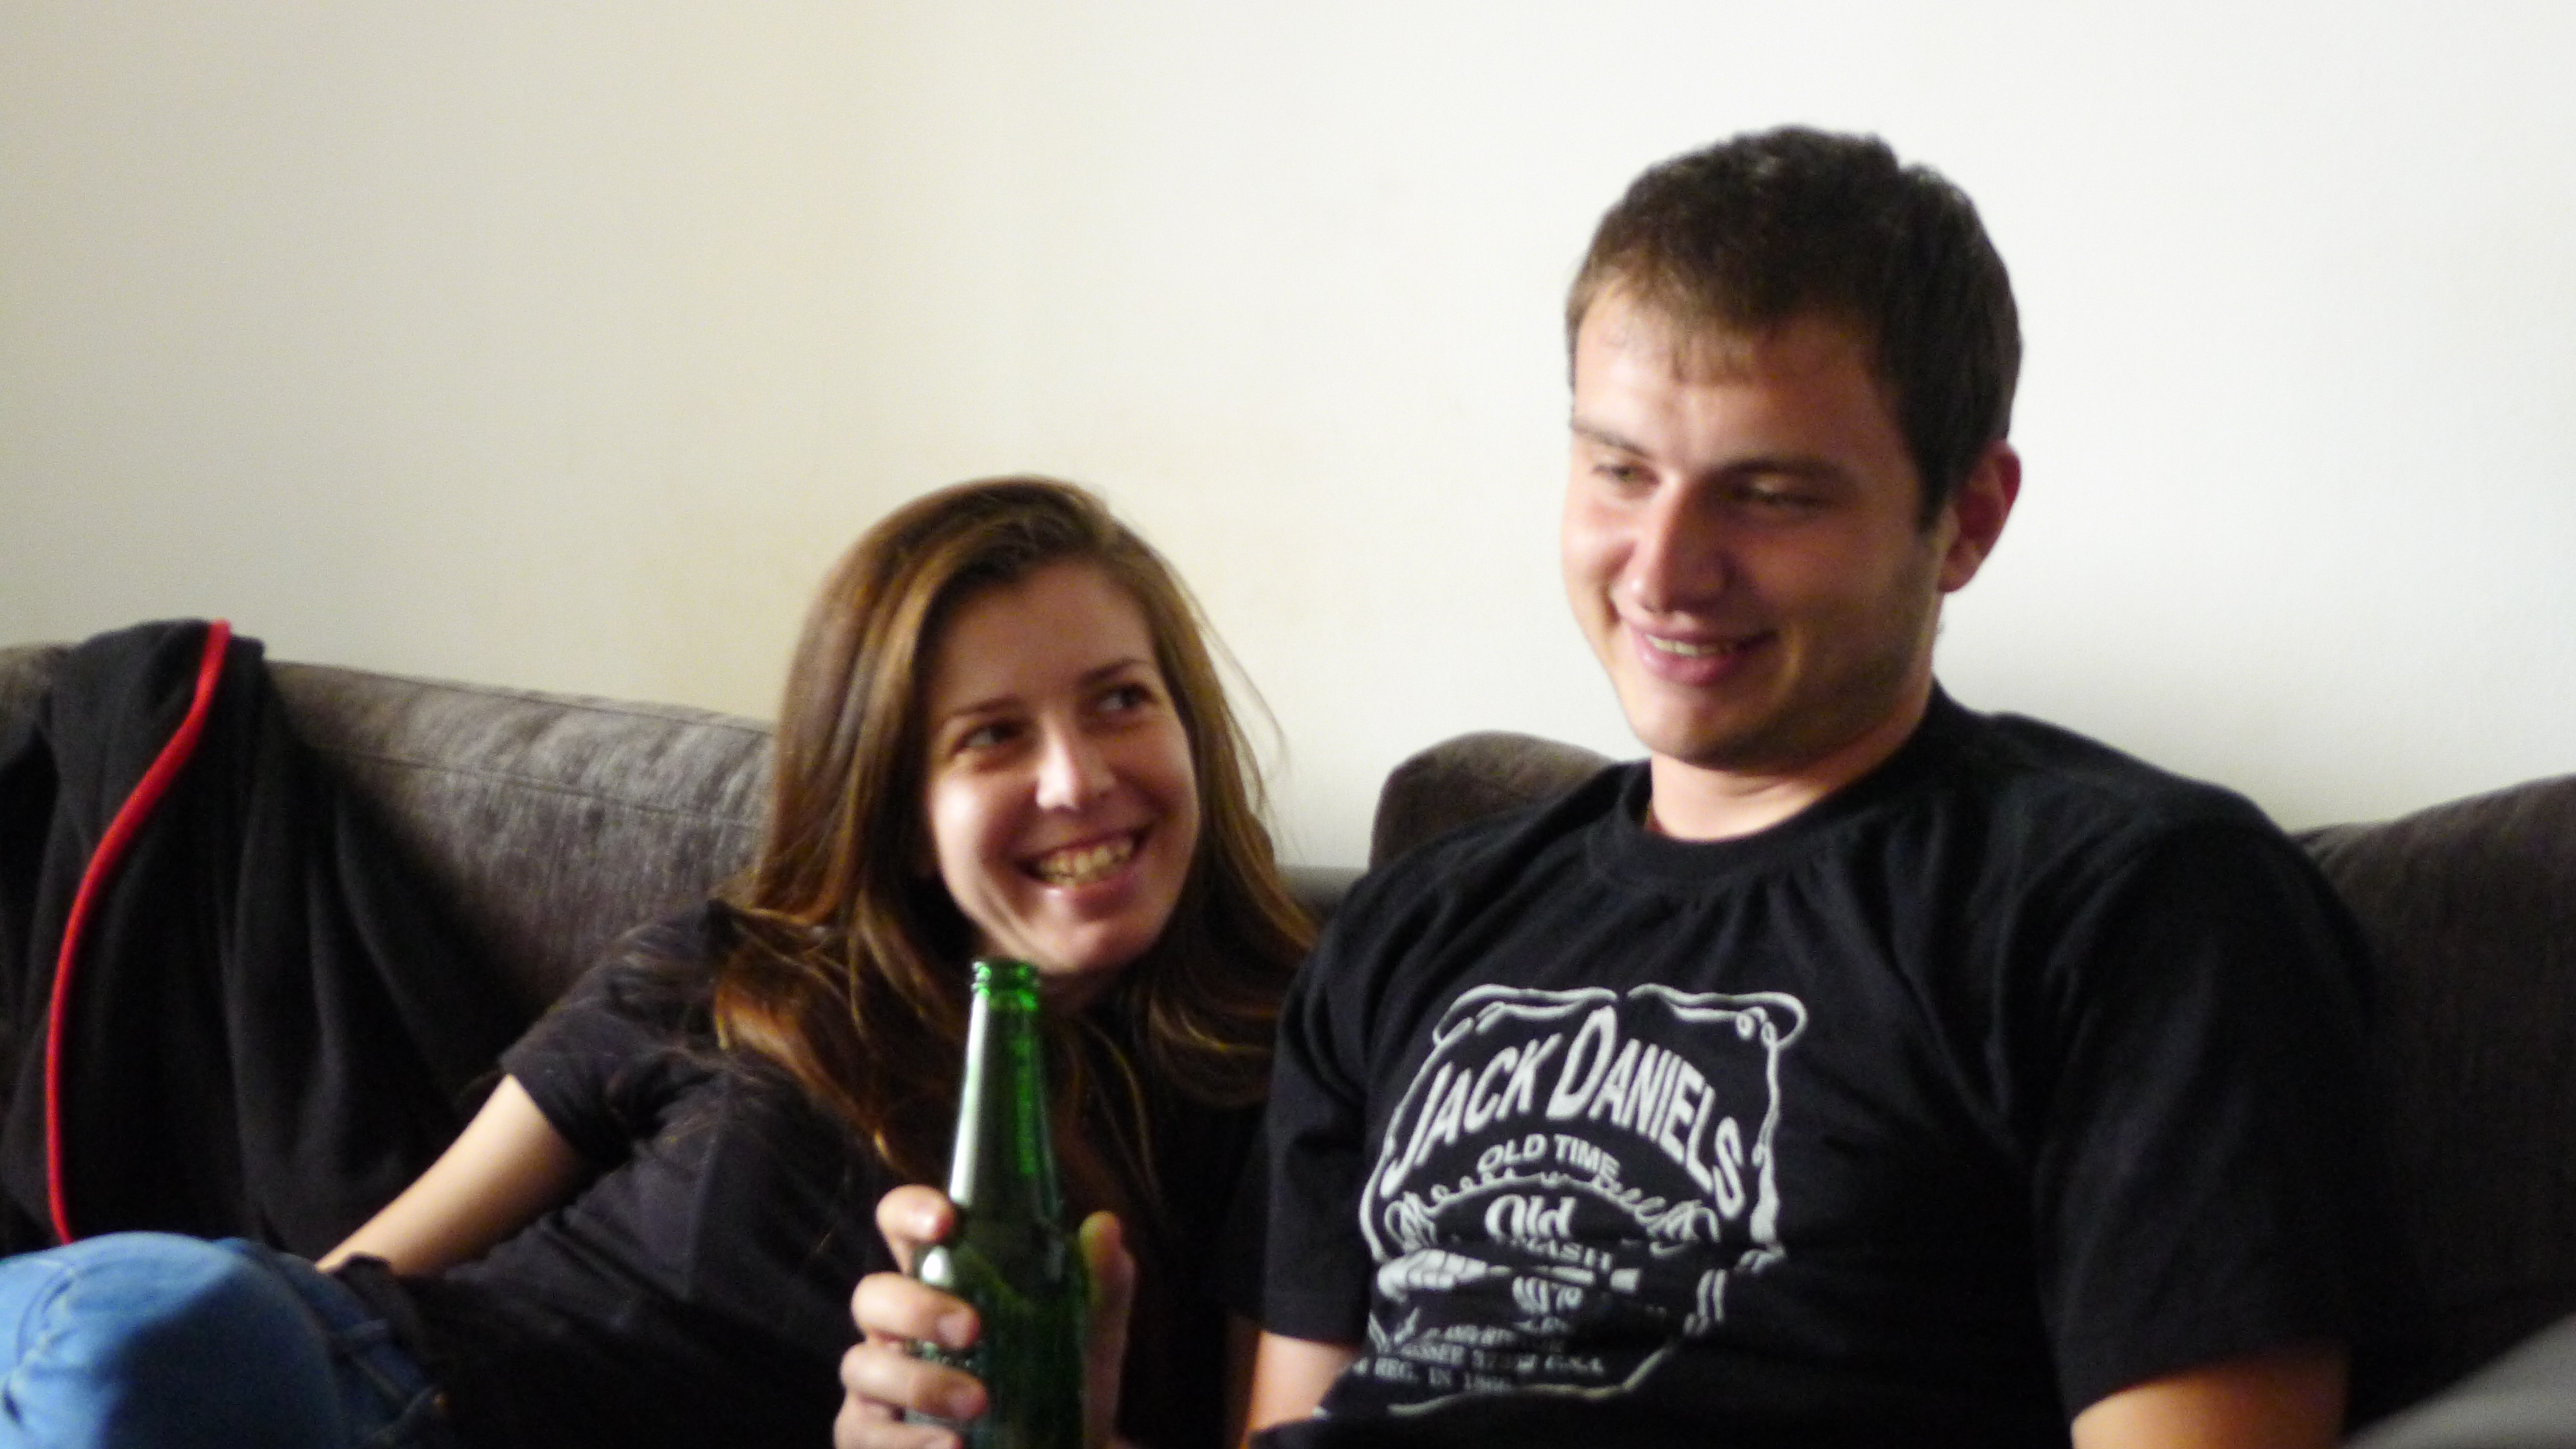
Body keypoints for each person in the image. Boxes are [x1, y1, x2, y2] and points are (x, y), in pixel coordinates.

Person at [1222, 128, 2393, 1448]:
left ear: (1966, 520)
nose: (1663, 571)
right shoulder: (1408, 926)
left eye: (1768, 495)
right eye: (1619, 470)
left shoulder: (2137, 901)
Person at [0, 476, 1311, 1449]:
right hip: (348, 1392)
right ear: (903, 813)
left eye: (1120, 701)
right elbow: (353, 1290)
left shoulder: (1303, 1069)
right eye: (992, 737)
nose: (1078, 779)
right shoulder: (741, 966)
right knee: (160, 1336)